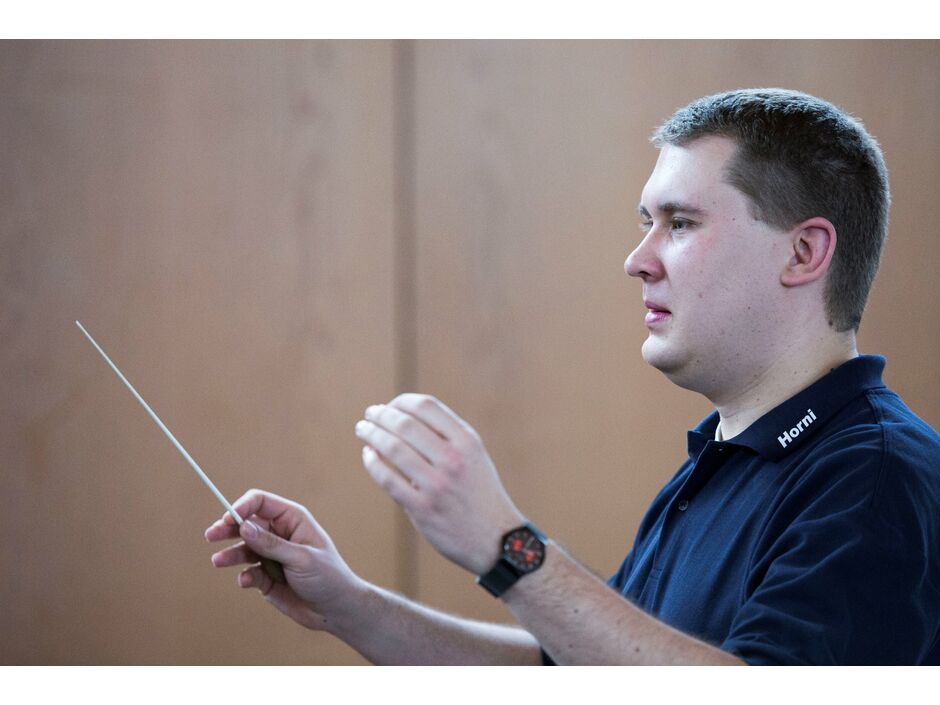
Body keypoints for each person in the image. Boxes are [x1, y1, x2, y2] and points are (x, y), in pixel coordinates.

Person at [205, 88, 940, 665]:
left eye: (680, 223)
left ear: (804, 253)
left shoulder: (877, 476)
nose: (638, 259)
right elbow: (581, 669)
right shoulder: (722, 460)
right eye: (646, 222)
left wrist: (507, 547)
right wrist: (350, 607)